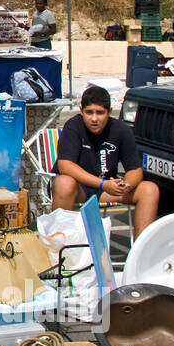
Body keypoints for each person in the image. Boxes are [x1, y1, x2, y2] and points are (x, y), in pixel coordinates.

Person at [52, 84, 159, 237]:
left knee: (149, 189)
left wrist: (126, 186)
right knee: (64, 183)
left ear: (109, 112)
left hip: (106, 189)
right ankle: (59, 247)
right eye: (89, 112)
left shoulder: (121, 129)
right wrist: (102, 183)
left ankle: (140, 254)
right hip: (80, 188)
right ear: (81, 110)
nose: (94, 119)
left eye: (100, 113)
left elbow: (135, 169)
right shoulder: (73, 127)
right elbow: (65, 166)